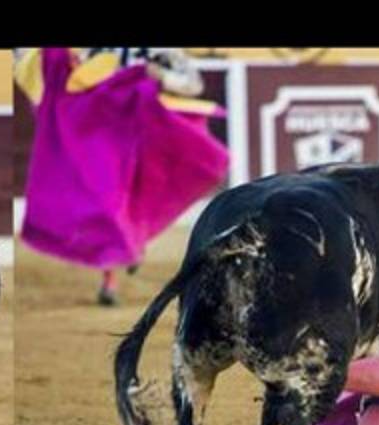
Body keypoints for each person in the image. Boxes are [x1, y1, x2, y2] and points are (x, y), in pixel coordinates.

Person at [17, 47, 227, 306]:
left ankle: (130, 243)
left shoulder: (158, 50)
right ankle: (112, 276)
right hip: (110, 129)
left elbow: (193, 85)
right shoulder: (94, 51)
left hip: (148, 130)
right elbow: (71, 81)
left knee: (140, 194)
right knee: (109, 199)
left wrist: (162, 77)